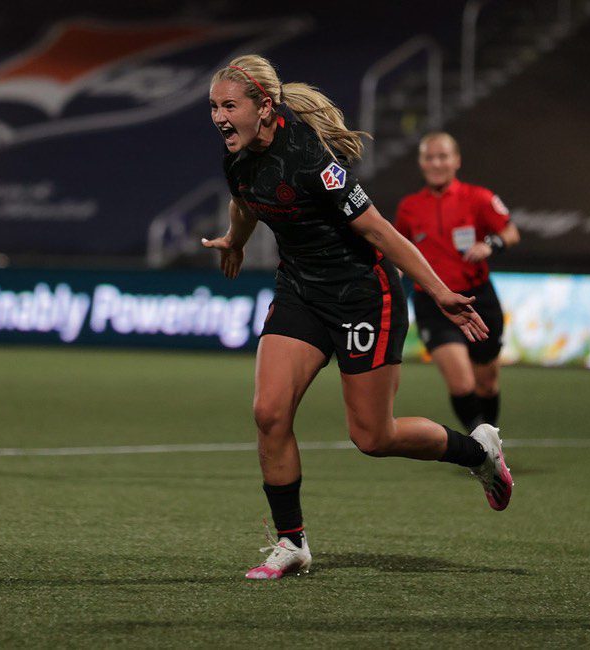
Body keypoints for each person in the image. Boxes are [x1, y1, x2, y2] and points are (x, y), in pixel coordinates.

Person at [202, 55, 513, 581]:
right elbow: (245, 201)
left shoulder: (310, 158)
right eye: (213, 106)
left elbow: (380, 232)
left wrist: (438, 291)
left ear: (265, 107)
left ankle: (477, 452)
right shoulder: (237, 156)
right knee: (269, 413)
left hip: (364, 296)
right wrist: (236, 238)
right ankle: (292, 541)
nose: (218, 117)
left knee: (373, 436)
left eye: (229, 105)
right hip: (301, 292)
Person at [394, 133, 521, 434]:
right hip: (433, 301)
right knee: (461, 382)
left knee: (486, 384)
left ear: (457, 160)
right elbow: (399, 250)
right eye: (429, 157)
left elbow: (511, 232)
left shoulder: (478, 198)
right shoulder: (409, 207)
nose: (436, 163)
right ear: (421, 162)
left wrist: (490, 245)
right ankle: (482, 449)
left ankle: (490, 439)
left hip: (478, 299)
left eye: (443, 156)